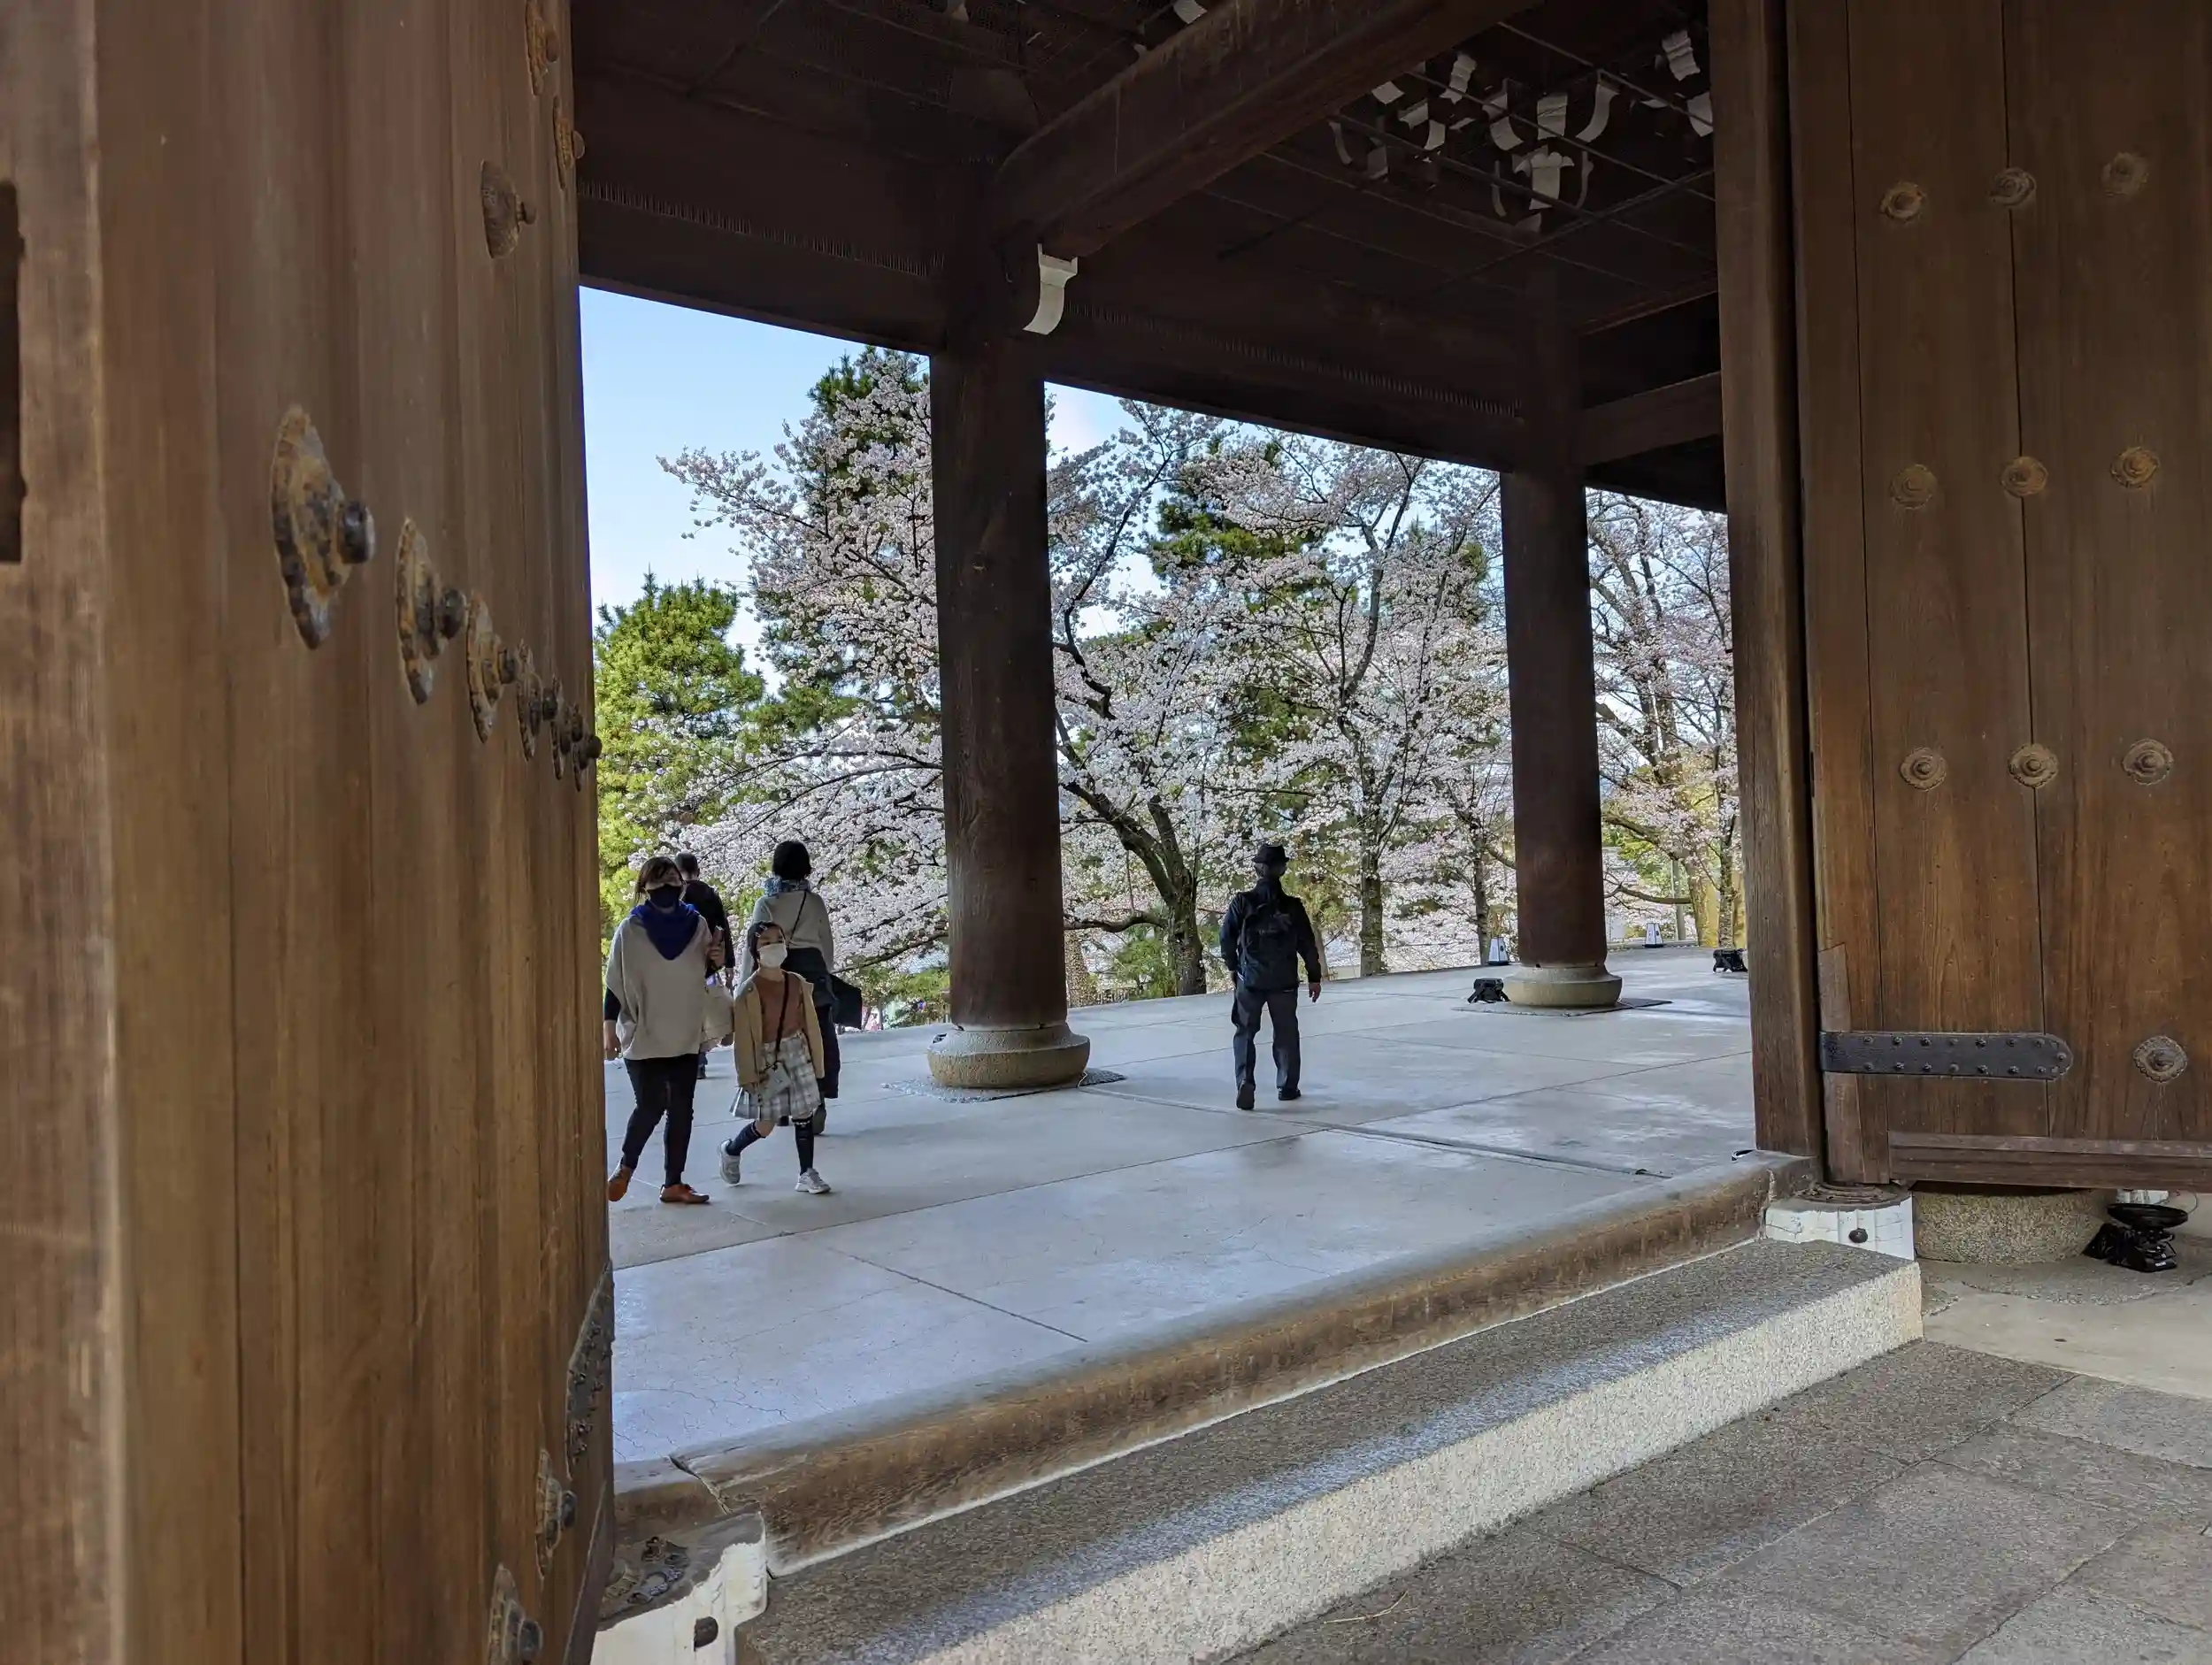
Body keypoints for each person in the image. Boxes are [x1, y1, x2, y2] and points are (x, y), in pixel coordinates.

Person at [604, 854, 726, 1206]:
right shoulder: (630, 930)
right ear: (644, 888)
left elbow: (701, 974)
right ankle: (626, 1168)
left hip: (685, 1032)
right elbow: (615, 983)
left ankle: (674, 1183)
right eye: (658, 881)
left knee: (682, 1109)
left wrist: (715, 961)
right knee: (651, 1104)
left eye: (673, 880)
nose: (667, 887)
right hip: (643, 1032)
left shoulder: (697, 925)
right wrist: (608, 1026)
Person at [719, 920, 833, 1193]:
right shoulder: (749, 991)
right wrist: (748, 1074)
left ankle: (807, 1173)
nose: (774, 946)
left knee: (804, 1113)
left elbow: (809, 1025)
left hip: (798, 1053)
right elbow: (744, 1039)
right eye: (766, 942)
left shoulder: (796, 983)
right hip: (767, 1060)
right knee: (766, 1124)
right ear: (755, 950)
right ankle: (731, 1150)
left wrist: (818, 1063)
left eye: (779, 939)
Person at [1218, 842, 1323, 1110]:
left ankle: (1245, 1080)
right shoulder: (1293, 906)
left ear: (1257, 869)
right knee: (1286, 1032)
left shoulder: (1242, 902)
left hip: (1250, 979)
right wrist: (1314, 976)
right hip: (1284, 981)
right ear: (1282, 869)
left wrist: (1233, 967)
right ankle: (1287, 1087)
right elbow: (1307, 944)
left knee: (1245, 1031)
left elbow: (1226, 937)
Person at [741, 840, 841, 1112]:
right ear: (805, 867)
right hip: (814, 974)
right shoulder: (814, 901)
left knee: (779, 1036)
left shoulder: (766, 903)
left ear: (776, 866)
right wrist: (826, 974)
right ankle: (820, 1094)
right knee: (819, 1034)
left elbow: (754, 947)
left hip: (778, 975)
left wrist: (745, 985)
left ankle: (784, 1098)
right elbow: (827, 944)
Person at [676, 852, 733, 1079]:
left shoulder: (677, 896)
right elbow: (724, 927)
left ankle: (692, 1059)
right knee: (702, 1009)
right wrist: (729, 962)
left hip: (682, 961)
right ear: (698, 871)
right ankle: (700, 1057)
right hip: (710, 960)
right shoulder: (710, 894)